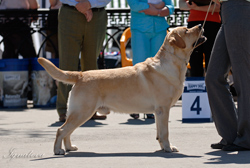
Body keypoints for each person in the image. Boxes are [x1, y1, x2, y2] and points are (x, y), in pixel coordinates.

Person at [206, 0, 250, 151]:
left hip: (240, 8)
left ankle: (247, 138)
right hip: (227, 11)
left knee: (243, 78)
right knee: (213, 77)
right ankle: (231, 135)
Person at [57, 0, 111, 122]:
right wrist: (83, 6)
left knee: (91, 67)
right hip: (70, 12)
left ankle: (90, 109)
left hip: (97, 15)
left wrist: (89, 4)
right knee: (67, 65)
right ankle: (65, 111)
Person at [126, 0, 174, 119]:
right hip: (140, 29)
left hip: (159, 30)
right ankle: (135, 106)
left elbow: (170, 7)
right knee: (139, 68)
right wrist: (157, 8)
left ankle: (153, 106)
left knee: (157, 69)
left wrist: (157, 11)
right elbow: (134, 4)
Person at [179, 0, 221, 77]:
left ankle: (213, 86)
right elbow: (181, 5)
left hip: (213, 23)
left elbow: (218, 7)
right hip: (193, 22)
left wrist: (196, 7)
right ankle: (196, 85)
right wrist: (199, 7)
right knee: (194, 56)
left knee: (212, 56)